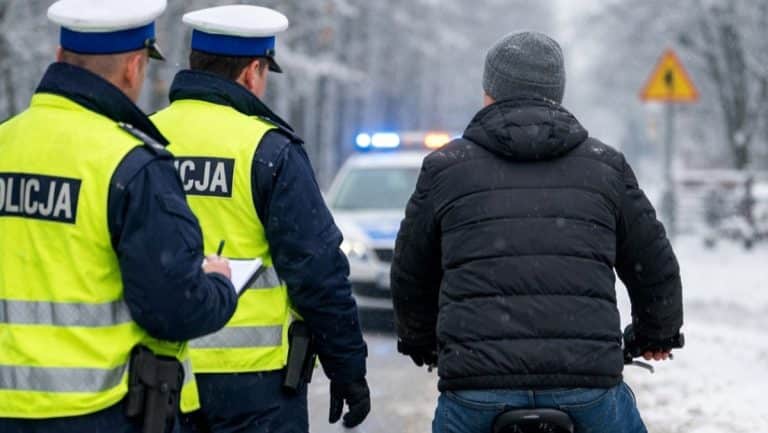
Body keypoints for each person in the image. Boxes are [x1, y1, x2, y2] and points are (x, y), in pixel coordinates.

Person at [391, 31, 684, 433]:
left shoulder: (445, 168)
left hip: (477, 389)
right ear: (557, 92)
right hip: (586, 387)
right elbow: (654, 265)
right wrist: (657, 333)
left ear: (489, 92)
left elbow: (411, 273)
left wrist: (420, 340)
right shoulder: (605, 166)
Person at [0, 0, 239, 432]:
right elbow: (172, 310)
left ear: (59, 58)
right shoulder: (131, 165)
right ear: (133, 67)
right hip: (96, 415)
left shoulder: (5, 142)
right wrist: (220, 284)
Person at [151, 5, 370, 433]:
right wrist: (348, 368)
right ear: (253, 71)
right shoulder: (268, 150)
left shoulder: (142, 140)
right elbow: (318, 271)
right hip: (254, 389)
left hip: (161, 373)